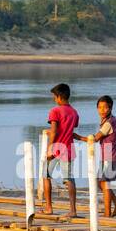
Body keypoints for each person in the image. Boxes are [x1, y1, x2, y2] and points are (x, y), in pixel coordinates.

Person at [75, 95, 116, 217]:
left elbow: (95, 138)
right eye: (99, 107)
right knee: (100, 182)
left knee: (105, 183)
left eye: (105, 108)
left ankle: (107, 213)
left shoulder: (108, 123)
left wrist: (77, 137)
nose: (102, 110)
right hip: (108, 155)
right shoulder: (113, 120)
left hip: (110, 156)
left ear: (110, 108)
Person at [42, 83, 79, 217]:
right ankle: (73, 210)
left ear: (59, 97)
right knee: (69, 178)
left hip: (57, 148)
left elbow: (54, 131)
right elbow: (68, 129)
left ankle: (49, 207)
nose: (53, 99)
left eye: (54, 96)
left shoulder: (55, 111)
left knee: (45, 175)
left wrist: (49, 149)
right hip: (68, 148)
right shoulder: (74, 112)